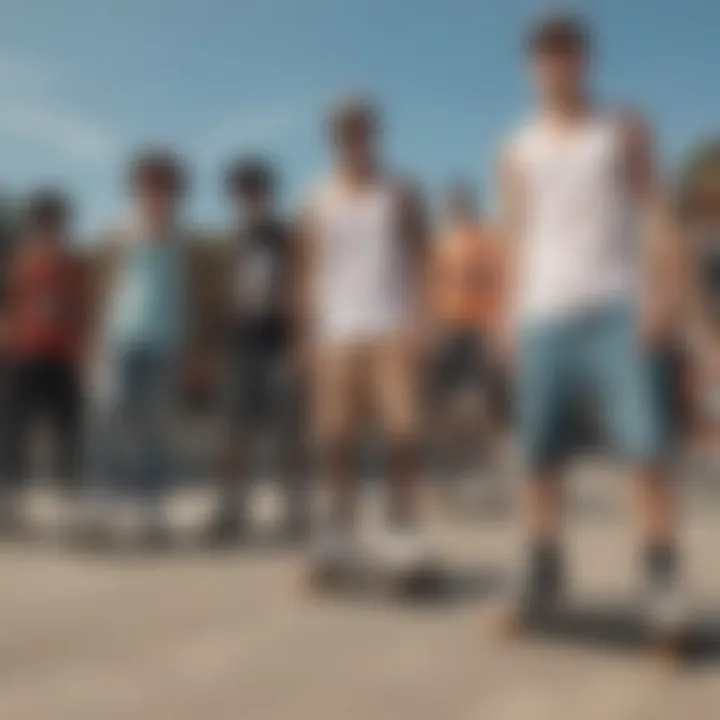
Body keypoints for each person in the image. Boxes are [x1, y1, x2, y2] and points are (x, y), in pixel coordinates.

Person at [498, 15, 686, 623]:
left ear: (586, 59)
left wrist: (662, 294)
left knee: (645, 448)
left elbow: (656, 212)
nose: (556, 64)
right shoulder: (516, 148)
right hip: (542, 313)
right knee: (538, 454)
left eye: (567, 52)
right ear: (532, 67)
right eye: (545, 55)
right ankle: (544, 569)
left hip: (616, 308)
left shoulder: (622, 129)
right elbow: (516, 234)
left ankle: (660, 577)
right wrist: (505, 311)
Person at [298, 97, 430, 576]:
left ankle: (403, 532)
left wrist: (423, 321)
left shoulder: (399, 190)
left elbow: (420, 257)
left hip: (392, 327)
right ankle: (338, 535)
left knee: (403, 434)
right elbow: (312, 269)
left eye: (361, 130)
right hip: (337, 332)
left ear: (375, 134)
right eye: (343, 132)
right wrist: (309, 335)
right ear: (334, 139)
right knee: (335, 439)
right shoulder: (317, 197)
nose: (353, 139)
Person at [82, 151, 199, 545]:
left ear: (173, 188)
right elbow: (104, 287)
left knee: (156, 429)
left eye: (162, 182)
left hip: (165, 343)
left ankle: (151, 513)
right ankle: (104, 508)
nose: (154, 189)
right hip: (121, 339)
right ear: (137, 186)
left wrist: (192, 349)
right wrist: (95, 344)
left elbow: (189, 293)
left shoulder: (183, 234)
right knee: (110, 422)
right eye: (147, 182)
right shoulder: (120, 229)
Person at [208, 158, 310, 544]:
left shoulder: (285, 236)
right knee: (233, 431)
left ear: (268, 193)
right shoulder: (233, 239)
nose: (249, 199)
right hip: (239, 345)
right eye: (241, 193)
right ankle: (231, 509)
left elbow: (302, 291)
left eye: (255, 190)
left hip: (279, 343)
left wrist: (301, 345)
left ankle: (295, 510)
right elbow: (223, 298)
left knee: (288, 432)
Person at [1, 191, 86, 531]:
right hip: (27, 355)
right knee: (15, 431)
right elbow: (8, 310)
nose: (53, 230)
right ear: (36, 226)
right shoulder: (21, 264)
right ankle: (9, 504)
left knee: (67, 432)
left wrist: (83, 353)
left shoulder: (71, 266)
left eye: (58, 223)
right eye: (46, 223)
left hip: (62, 358)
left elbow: (81, 311)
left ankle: (69, 505)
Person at [428, 183, 506, 500]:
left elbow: (499, 283)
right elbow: (430, 287)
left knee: (484, 404)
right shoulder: (440, 244)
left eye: (463, 202)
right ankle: (450, 471)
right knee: (446, 406)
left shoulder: (487, 242)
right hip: (448, 329)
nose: (458, 208)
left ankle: (484, 471)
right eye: (453, 203)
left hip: (480, 329)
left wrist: (495, 328)